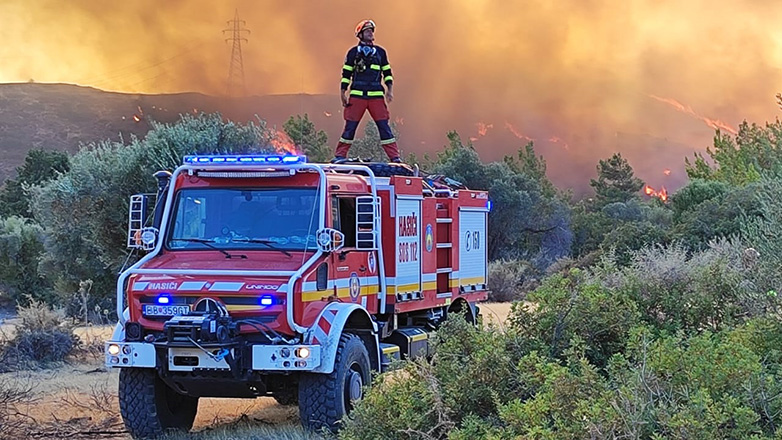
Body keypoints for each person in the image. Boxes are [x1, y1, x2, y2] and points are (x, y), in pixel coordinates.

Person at [333, 19, 401, 163]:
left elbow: (387, 72)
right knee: (350, 127)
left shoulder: (381, 53)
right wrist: (343, 92)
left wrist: (389, 90)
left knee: (384, 127)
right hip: (357, 96)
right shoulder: (353, 53)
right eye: (367, 31)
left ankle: (395, 157)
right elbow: (346, 74)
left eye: (371, 31)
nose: (370, 33)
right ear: (360, 34)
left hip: (376, 97)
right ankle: (340, 155)